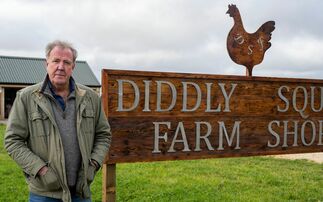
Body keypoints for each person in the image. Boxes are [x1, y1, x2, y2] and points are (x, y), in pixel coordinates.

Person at [4, 40, 112, 202]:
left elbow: (103, 135)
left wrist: (94, 164)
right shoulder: (26, 97)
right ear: (46, 63)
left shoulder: (91, 97)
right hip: (44, 194)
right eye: (55, 61)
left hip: (81, 192)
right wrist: (40, 169)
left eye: (66, 62)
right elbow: (13, 141)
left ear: (73, 66)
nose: (60, 66)